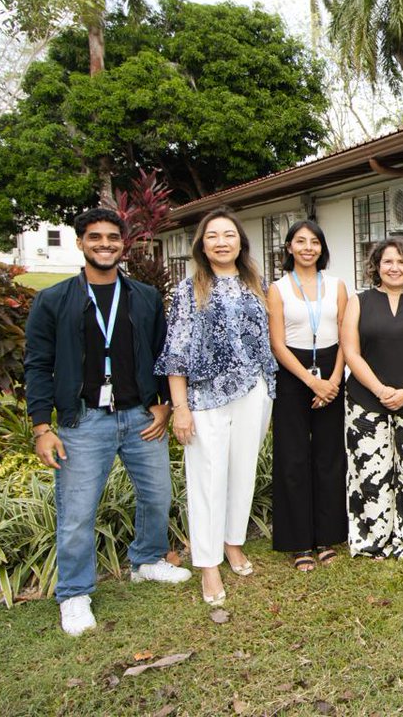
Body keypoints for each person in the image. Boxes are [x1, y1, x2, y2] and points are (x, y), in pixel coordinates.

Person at [24, 208, 190, 636]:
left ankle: (147, 561)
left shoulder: (145, 297)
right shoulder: (53, 300)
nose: (105, 244)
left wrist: (164, 405)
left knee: (157, 496)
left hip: (140, 416)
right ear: (80, 242)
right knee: (77, 512)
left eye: (112, 237)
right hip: (84, 421)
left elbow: (161, 355)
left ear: (124, 244)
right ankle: (75, 593)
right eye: (95, 237)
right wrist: (42, 426)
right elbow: (38, 365)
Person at [156, 207, 276, 606]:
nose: (221, 242)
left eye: (228, 235)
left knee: (242, 471)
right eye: (213, 236)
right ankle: (207, 564)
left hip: (253, 392)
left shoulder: (255, 285)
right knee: (208, 479)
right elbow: (175, 352)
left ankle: (233, 542)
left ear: (240, 242)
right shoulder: (189, 290)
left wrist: (268, 389)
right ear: (202, 245)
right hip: (205, 398)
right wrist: (180, 406)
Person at [341, 238, 403, 559]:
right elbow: (351, 352)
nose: (394, 267)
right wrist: (380, 390)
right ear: (376, 266)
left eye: (401, 262)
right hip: (366, 402)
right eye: (388, 261)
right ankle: (372, 538)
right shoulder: (360, 301)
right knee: (370, 471)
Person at [266, 220, 348, 571]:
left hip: (331, 368)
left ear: (322, 248)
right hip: (293, 372)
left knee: (329, 457)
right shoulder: (278, 288)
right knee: (294, 457)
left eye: (314, 242)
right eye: (300, 241)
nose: (308, 248)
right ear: (289, 247)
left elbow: (347, 337)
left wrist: (332, 380)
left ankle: (328, 536)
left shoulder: (337, 285)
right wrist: (311, 382)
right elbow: (276, 343)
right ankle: (298, 541)